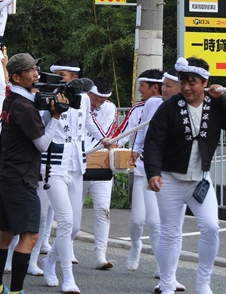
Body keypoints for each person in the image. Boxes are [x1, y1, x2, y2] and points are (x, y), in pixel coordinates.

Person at [144, 57, 226, 294]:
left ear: (205, 82)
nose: (187, 87)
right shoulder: (169, 107)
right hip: (169, 178)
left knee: (211, 227)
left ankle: (203, 283)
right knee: (169, 233)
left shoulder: (216, 103)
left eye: (193, 83)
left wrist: (224, 99)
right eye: (183, 82)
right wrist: (153, 173)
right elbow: (154, 142)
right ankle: (167, 283)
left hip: (200, 179)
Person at [0, 53, 60, 294]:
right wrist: (56, 117)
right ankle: (16, 291)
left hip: (8, 175)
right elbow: (42, 144)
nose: (36, 74)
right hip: (19, 177)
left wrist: (49, 111)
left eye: (35, 69)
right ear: (17, 77)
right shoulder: (23, 106)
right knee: (30, 236)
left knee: (6, 234)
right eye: (30, 70)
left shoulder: (12, 100)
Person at [40, 59, 93, 293]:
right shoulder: (47, 97)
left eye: (65, 75)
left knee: (74, 227)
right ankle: (68, 277)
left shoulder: (85, 99)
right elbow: (41, 125)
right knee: (65, 221)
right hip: (54, 166)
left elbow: (88, 122)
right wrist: (53, 108)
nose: (62, 79)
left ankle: (49, 260)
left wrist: (105, 138)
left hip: (77, 165)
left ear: (75, 78)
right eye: (58, 75)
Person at [126, 69, 163, 271]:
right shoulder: (150, 104)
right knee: (138, 219)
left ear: (154, 87)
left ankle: (162, 266)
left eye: (142, 86)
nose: (139, 90)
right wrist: (136, 150)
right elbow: (141, 131)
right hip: (144, 167)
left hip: (166, 171)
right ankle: (135, 245)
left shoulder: (177, 103)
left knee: (155, 222)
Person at [82, 75, 118, 270]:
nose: (97, 103)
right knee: (72, 211)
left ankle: (100, 255)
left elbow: (106, 136)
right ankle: (67, 251)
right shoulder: (77, 104)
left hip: (100, 164)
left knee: (103, 209)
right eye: (94, 98)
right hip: (77, 164)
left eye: (101, 101)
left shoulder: (110, 109)